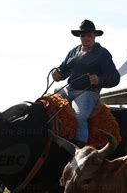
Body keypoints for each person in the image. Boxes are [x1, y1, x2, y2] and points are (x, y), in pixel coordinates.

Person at [51, 19, 120, 147]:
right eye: (83, 35)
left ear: (95, 36)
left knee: (80, 116)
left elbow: (115, 78)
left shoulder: (102, 54)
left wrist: (99, 80)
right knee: (49, 101)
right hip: (69, 89)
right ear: (79, 36)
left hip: (88, 92)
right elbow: (63, 70)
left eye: (89, 35)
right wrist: (57, 74)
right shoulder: (74, 51)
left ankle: (79, 149)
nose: (86, 38)